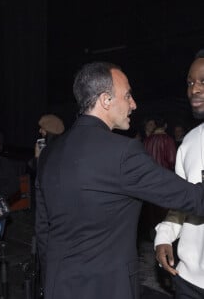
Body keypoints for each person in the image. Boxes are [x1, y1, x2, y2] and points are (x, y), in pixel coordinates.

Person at [35, 61, 204, 299]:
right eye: (128, 96)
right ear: (106, 100)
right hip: (108, 288)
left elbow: (44, 230)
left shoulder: (50, 152)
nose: (133, 104)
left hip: (58, 285)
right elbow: (196, 199)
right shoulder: (123, 152)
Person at [154, 50, 204, 298]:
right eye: (190, 82)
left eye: (203, 81)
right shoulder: (189, 144)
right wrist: (164, 236)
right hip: (188, 282)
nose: (194, 89)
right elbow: (180, 203)